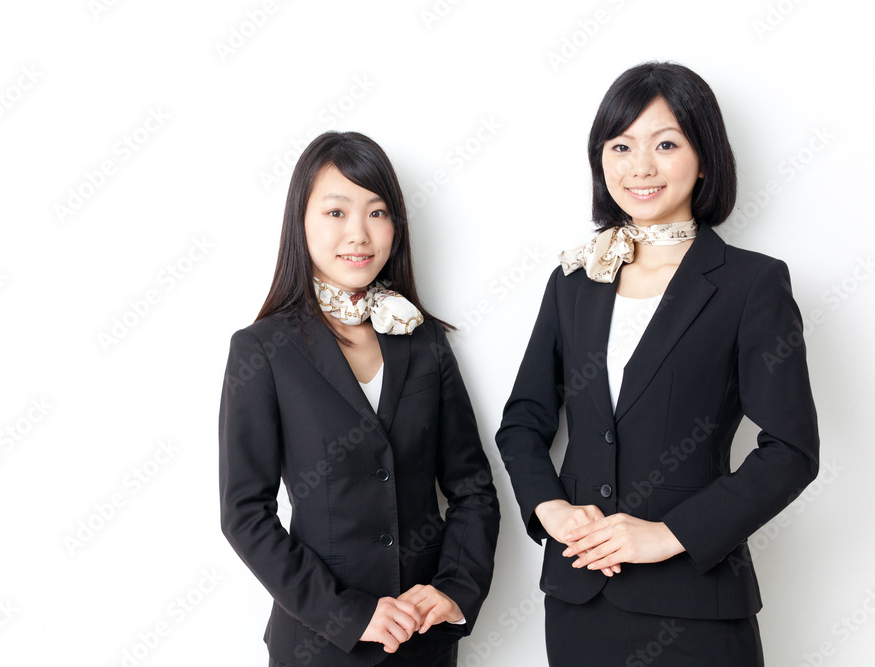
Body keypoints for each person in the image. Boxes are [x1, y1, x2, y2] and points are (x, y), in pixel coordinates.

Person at [495, 62, 819, 666]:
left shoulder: (752, 283)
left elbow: (791, 450)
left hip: (696, 598)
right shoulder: (574, 280)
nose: (639, 167)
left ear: (705, 157)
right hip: (580, 596)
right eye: (621, 146)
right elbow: (523, 422)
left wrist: (668, 535)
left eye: (665, 144)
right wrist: (551, 509)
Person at [220, 131, 500, 667]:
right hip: (318, 644)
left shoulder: (424, 341)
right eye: (335, 212)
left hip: (423, 641)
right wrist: (349, 614)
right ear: (300, 223)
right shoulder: (262, 350)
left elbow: (473, 490)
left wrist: (455, 590)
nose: (359, 234)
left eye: (377, 213)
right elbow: (245, 514)